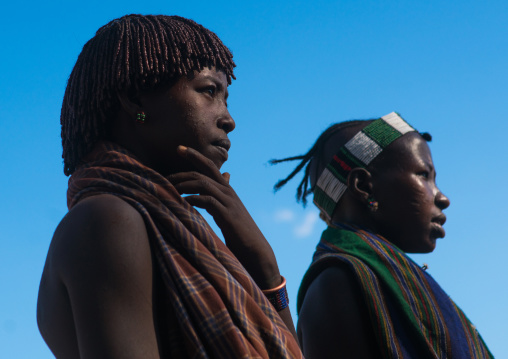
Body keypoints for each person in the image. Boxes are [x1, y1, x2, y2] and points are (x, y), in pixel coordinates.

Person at [37, 14, 302, 358]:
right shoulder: (107, 221)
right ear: (135, 99)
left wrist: (265, 268)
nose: (228, 119)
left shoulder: (169, 226)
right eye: (209, 91)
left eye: (225, 98)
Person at [271, 112, 493, 358]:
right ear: (363, 186)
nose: (442, 197)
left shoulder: (373, 277)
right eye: (423, 175)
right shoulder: (339, 283)